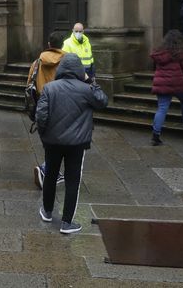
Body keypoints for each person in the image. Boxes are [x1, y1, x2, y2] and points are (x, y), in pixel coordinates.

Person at [35, 54, 108, 233]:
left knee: (50, 176)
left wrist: (45, 136)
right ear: (79, 70)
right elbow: (103, 101)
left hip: (52, 142)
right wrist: (90, 80)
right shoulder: (86, 89)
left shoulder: (49, 88)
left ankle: (47, 211)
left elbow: (41, 116)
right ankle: (67, 222)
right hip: (77, 143)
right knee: (72, 180)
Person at [29, 31, 66, 190]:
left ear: (49, 44)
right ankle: (45, 168)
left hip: (42, 105)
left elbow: (30, 83)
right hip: (61, 105)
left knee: (49, 140)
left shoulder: (38, 62)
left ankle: (52, 170)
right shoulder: (67, 61)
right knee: (62, 141)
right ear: (62, 45)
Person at [150, 30, 183, 146]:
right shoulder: (181, 52)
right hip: (179, 84)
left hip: (162, 85)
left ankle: (155, 135)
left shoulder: (159, 53)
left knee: (161, 109)